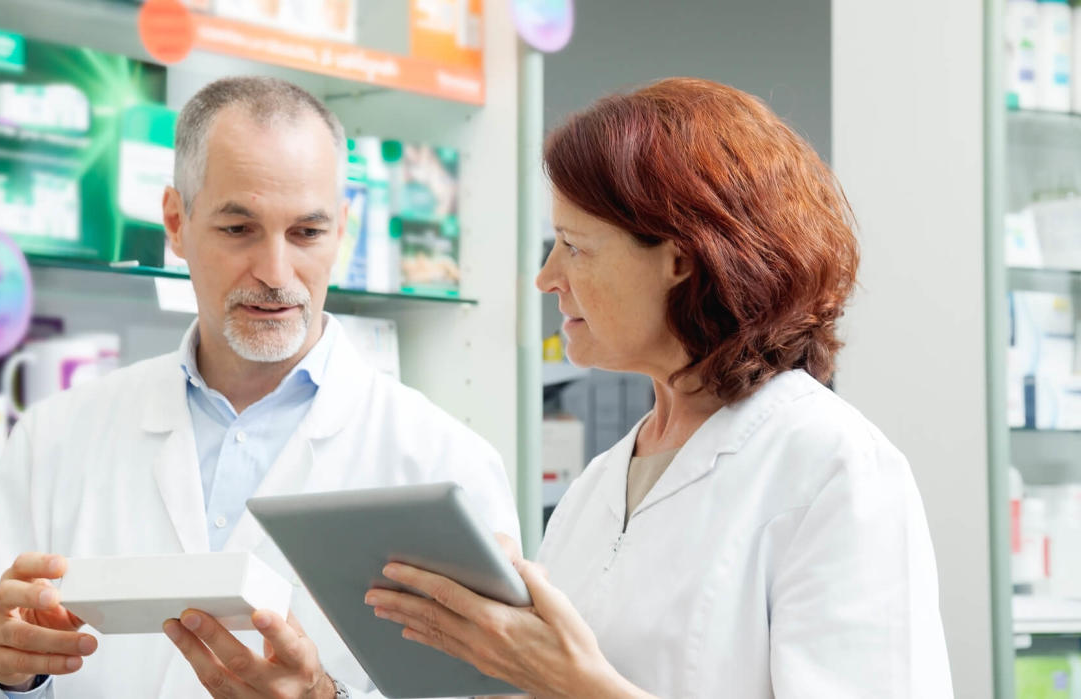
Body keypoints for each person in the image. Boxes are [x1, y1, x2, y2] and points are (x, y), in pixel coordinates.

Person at [0, 76, 518, 699]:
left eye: (306, 233)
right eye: (238, 230)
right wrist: (2, 673)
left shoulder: (446, 461)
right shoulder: (57, 436)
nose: (276, 273)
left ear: (343, 230)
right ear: (176, 222)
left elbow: (492, 691)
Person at [364, 77, 954, 698]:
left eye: (574, 247)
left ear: (681, 258)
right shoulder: (600, 484)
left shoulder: (832, 466)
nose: (546, 278)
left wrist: (578, 685)